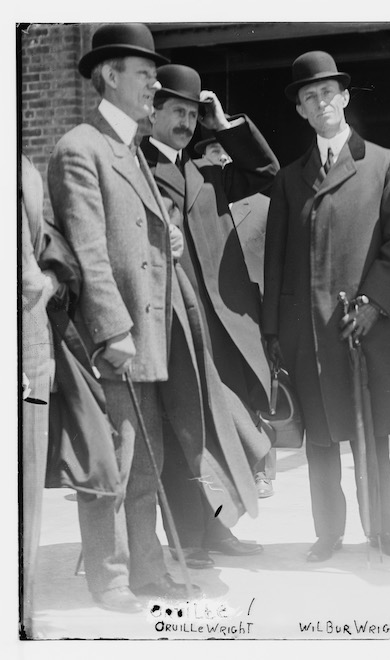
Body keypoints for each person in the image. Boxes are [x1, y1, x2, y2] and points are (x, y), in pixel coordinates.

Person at [46, 23, 198, 612]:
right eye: (144, 75)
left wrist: (173, 242)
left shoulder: (132, 150)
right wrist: (113, 331)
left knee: (147, 462)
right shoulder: (80, 148)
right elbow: (88, 251)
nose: (153, 86)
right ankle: (109, 577)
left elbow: (139, 237)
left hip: (149, 335)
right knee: (111, 463)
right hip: (114, 338)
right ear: (109, 76)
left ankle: (148, 569)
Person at [262, 51, 390, 562]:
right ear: (302, 111)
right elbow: (277, 259)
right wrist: (273, 331)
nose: (321, 101)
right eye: (310, 96)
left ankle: (382, 527)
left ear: (345, 98)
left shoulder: (388, 164)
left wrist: (373, 304)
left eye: (328, 92)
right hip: (308, 331)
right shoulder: (289, 179)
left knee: (372, 434)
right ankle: (328, 533)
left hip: (363, 324)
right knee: (322, 442)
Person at [141, 64, 278, 567]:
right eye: (175, 110)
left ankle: (217, 529)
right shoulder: (136, 170)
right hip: (172, 323)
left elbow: (266, 173)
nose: (184, 121)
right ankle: (187, 539)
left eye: (190, 113)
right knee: (182, 432)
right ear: (152, 112)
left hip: (220, 325)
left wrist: (224, 126)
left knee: (224, 432)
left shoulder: (207, 170)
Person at [195, 133, 284, 497]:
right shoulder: (197, 204)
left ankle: (263, 470)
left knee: (258, 391)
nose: (223, 159)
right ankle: (236, 469)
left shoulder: (260, 202)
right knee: (228, 393)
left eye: (227, 152)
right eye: (215, 151)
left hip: (253, 311)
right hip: (217, 313)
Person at [20, 154, 59, 632]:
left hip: (28, 340)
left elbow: (36, 256)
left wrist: (43, 282)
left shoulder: (24, 170)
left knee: (25, 485)